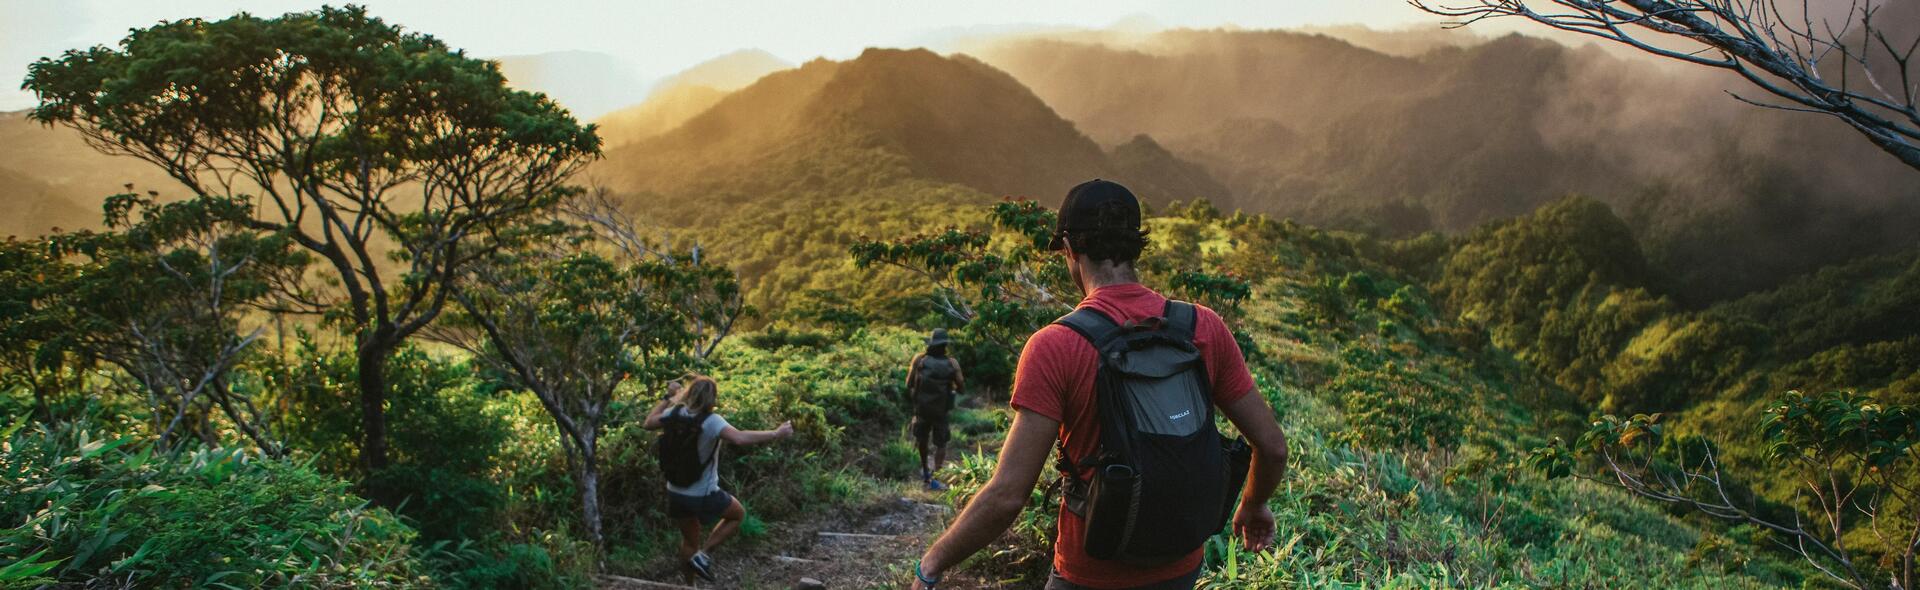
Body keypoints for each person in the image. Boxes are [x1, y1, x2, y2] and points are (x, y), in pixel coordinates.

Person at [910, 179, 1290, 590]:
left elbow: (1007, 497)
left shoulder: (1055, 346)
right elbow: (1272, 447)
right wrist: (1253, 505)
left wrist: (932, 564)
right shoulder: (1203, 327)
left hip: (1090, 573)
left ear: (1071, 250)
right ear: (1136, 247)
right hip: (1180, 565)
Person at [644, 375, 795, 583]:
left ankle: (690, 585)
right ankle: (704, 555)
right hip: (702, 493)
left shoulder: (674, 413)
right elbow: (740, 438)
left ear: (689, 393)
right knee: (737, 515)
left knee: (689, 541)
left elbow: (648, 423)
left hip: (675, 491)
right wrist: (776, 433)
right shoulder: (711, 421)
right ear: (712, 399)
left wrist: (667, 398)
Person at [907, 328, 965, 491]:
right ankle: (936, 476)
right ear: (945, 345)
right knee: (941, 443)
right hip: (941, 411)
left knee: (922, 440)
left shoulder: (919, 360)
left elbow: (908, 384)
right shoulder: (952, 363)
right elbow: (961, 387)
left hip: (922, 410)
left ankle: (925, 471)